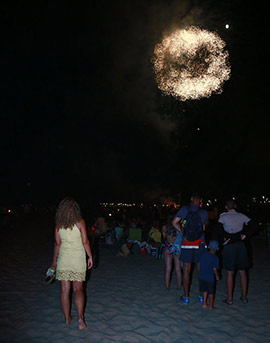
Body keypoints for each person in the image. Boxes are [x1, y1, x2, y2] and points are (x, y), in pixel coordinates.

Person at [50, 197, 93, 330]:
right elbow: (85, 242)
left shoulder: (58, 226)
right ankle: (80, 318)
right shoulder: (80, 222)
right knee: (78, 289)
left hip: (64, 259)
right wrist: (90, 256)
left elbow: (57, 244)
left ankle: (67, 318)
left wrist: (53, 262)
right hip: (77, 259)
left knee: (64, 290)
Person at [217, 199, 257, 305]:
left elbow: (218, 230)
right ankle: (244, 297)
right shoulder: (241, 216)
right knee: (242, 271)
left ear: (226, 207)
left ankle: (229, 299)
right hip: (240, 245)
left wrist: (222, 241)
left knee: (230, 272)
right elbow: (253, 225)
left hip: (229, 245)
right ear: (235, 206)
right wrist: (246, 235)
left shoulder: (223, 216)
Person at [172, 193, 208, 305]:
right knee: (201, 270)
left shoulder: (184, 209)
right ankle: (202, 296)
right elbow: (204, 228)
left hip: (187, 242)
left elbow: (174, 223)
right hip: (200, 242)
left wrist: (182, 232)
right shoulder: (204, 212)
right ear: (201, 200)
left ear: (191, 199)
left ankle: (186, 297)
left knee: (186, 270)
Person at [162, 216, 182, 290]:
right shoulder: (178, 227)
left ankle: (167, 286)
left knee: (168, 269)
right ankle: (179, 287)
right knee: (178, 269)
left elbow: (164, 237)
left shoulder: (164, 227)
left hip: (169, 247)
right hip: (176, 247)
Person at [198, 240, 220, 309]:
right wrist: (217, 276)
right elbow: (214, 269)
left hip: (201, 276)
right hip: (209, 278)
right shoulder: (215, 258)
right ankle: (211, 306)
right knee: (211, 292)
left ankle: (204, 303)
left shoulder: (203, 255)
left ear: (208, 247)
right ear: (217, 248)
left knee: (204, 290)